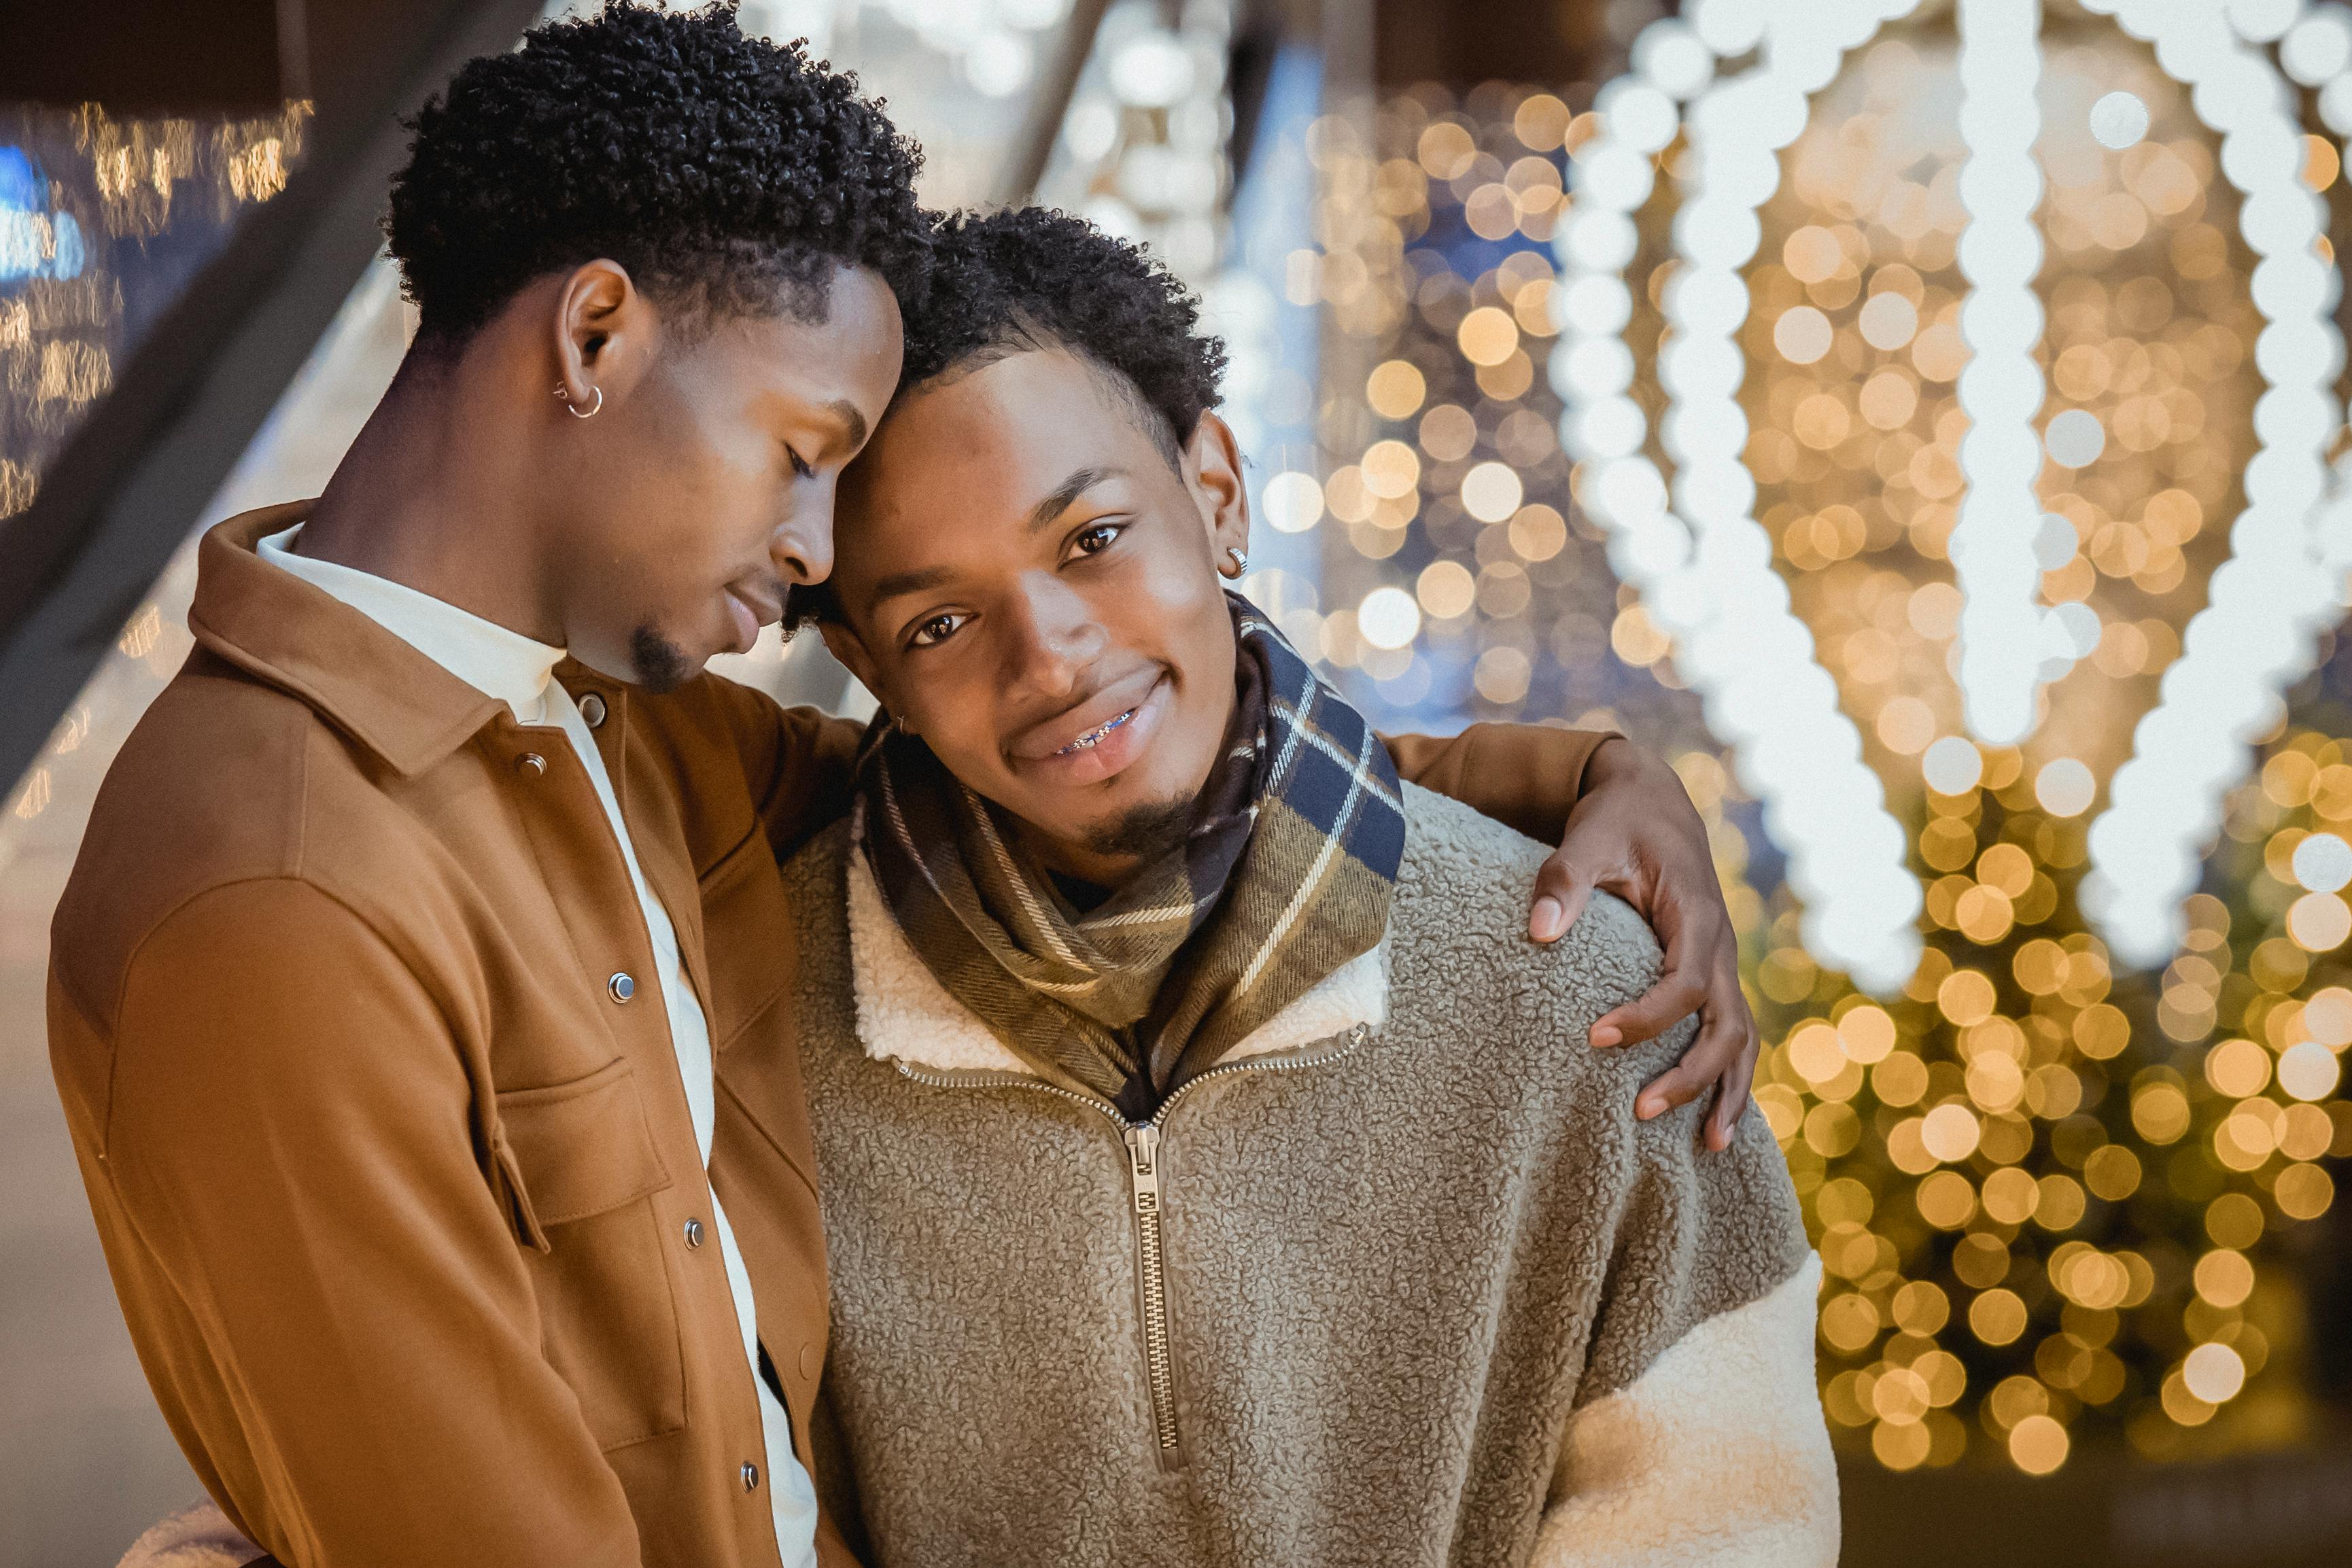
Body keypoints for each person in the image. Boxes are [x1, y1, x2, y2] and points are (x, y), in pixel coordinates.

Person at [58, 8, 1765, 1568]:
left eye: (1092, 536)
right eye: (804, 454)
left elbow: (1056, 772)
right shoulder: (271, 892)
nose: (808, 553)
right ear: (594, 334)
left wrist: (1563, 776)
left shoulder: (618, 736)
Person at [775, 207, 1837, 1567]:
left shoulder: (1581, 985)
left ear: (1213, 489)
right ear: (873, 670)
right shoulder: (753, 1022)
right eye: (938, 619)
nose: (1047, 657)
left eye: (1092, 537)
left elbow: (1716, 1523)